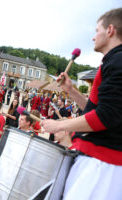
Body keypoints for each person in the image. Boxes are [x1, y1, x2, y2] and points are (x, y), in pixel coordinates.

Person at [41, 8, 122, 199]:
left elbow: (105, 117)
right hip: (98, 161)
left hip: (103, 166)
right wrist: (71, 90)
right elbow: (97, 110)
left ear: (110, 30)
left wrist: (59, 124)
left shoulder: (118, 61)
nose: (93, 37)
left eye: (96, 31)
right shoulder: (113, 60)